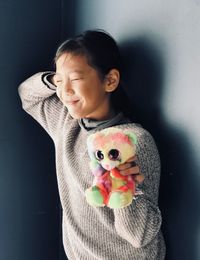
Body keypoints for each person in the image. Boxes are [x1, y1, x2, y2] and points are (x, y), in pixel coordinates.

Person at [18, 30, 166, 259]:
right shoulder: (66, 123)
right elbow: (27, 94)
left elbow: (139, 236)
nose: (65, 92)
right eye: (59, 82)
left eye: (75, 79)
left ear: (110, 80)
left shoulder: (132, 141)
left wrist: (124, 189)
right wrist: (58, 78)